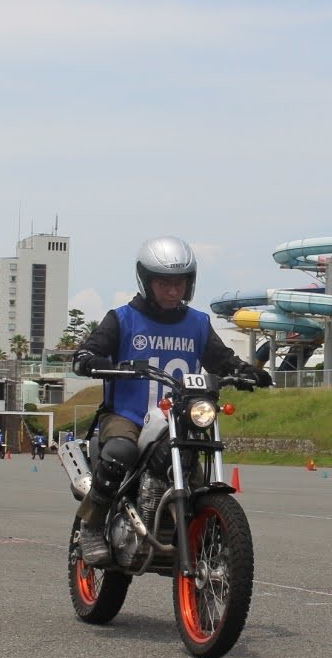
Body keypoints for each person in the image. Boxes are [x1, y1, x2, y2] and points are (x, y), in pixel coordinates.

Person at [70, 236, 270, 566]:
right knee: (120, 452)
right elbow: (88, 352)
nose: (172, 290)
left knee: (196, 461)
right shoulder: (122, 319)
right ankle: (92, 525)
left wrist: (245, 372)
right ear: (146, 281)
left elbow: (221, 359)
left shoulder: (198, 323)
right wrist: (90, 359)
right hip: (128, 415)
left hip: (180, 415)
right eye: (163, 282)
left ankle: (197, 531)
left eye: (179, 283)